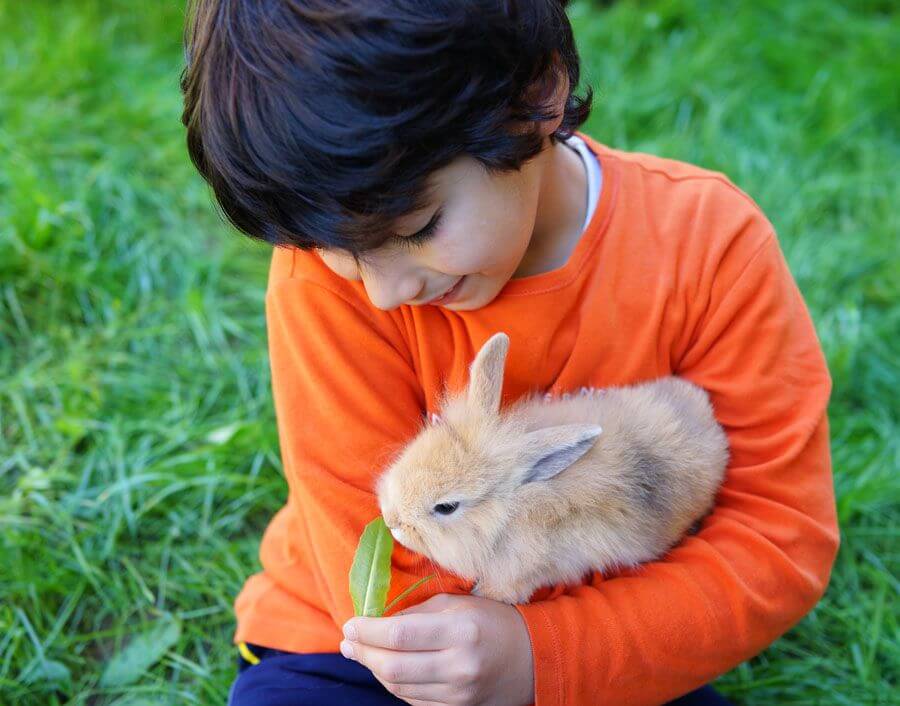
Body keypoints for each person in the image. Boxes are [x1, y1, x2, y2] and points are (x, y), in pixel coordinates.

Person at [179, 1, 840, 704]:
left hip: (603, 645)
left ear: (536, 98)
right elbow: (367, 545)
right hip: (368, 653)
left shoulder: (710, 246)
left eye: (421, 226)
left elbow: (779, 535)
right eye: (340, 252)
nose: (382, 292)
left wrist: (540, 655)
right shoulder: (321, 283)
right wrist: (451, 653)